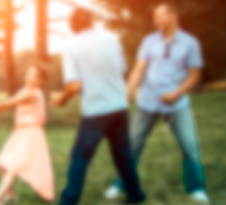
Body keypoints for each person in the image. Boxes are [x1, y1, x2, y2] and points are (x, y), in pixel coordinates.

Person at [104, 3, 210, 203]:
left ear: (172, 16)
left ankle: (196, 188)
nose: (156, 21)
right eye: (155, 17)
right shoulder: (149, 41)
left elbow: (194, 75)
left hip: (176, 104)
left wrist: (176, 93)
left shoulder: (190, 43)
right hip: (147, 102)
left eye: (160, 16)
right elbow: (139, 69)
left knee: (190, 146)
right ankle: (121, 184)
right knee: (132, 145)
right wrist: (128, 92)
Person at [53, 8, 145, 205]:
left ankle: (68, 202)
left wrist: (62, 99)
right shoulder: (112, 39)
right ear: (91, 22)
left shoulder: (71, 45)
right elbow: (121, 72)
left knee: (79, 157)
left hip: (96, 111)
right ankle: (135, 195)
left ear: (72, 25)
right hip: (119, 106)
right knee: (123, 154)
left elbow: (75, 84)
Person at [0, 67, 54, 205]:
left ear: (41, 81)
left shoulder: (33, 94)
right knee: (0, 162)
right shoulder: (25, 90)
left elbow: (6, 104)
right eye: (29, 73)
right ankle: (11, 195)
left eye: (34, 75)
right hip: (21, 133)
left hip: (30, 134)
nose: (29, 76)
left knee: (14, 167)